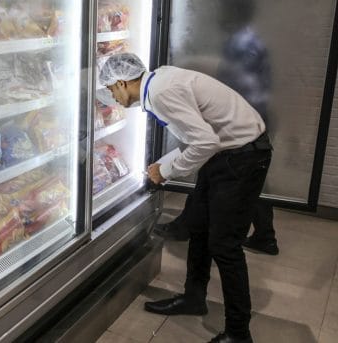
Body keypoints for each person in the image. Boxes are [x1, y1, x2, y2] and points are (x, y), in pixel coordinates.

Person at [101, 53, 272, 343]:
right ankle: (194, 298)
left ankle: (239, 334)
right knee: (200, 229)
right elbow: (202, 139)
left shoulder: (161, 92)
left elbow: (206, 141)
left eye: (110, 90)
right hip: (226, 153)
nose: (112, 97)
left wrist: (165, 171)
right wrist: (163, 165)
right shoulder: (158, 82)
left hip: (242, 157)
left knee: (225, 245)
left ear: (122, 82)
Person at [154, 0, 278, 256]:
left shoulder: (242, 45)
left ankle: (190, 226)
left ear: (235, 12)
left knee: (228, 178)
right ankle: (263, 235)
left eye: (223, 9)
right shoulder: (246, 41)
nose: (218, 15)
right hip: (249, 120)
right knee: (239, 180)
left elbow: (238, 86)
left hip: (242, 123)